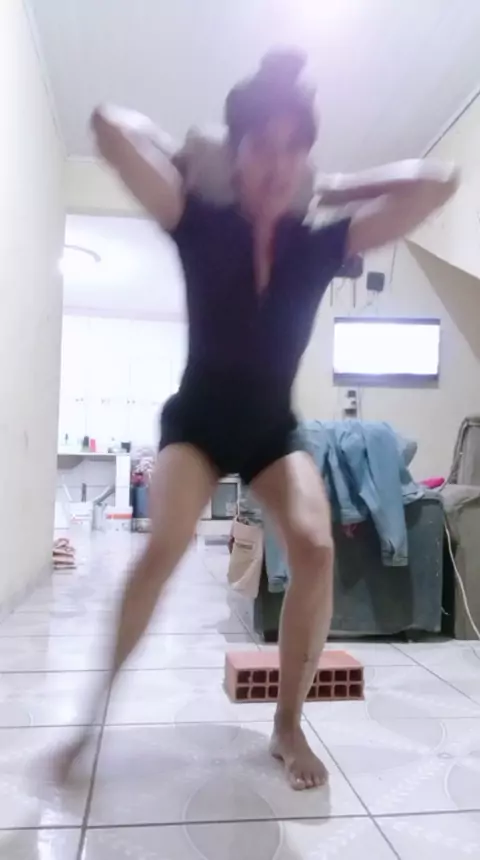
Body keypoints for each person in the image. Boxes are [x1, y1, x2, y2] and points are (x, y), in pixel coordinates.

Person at [58, 50, 458, 790]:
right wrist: (184, 152)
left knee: (315, 545)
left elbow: (440, 183)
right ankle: (90, 718)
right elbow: (108, 127)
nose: (277, 165)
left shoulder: (320, 242)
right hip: (198, 424)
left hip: (272, 430)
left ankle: (287, 726)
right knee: (165, 543)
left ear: (306, 160)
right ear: (236, 154)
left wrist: (337, 184)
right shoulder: (197, 219)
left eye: (293, 149)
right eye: (261, 147)